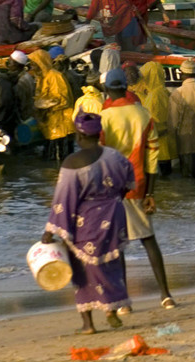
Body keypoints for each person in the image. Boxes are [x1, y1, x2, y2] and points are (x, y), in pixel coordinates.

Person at [41, 111, 135, 333]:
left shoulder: (72, 163)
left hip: (88, 222)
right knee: (109, 266)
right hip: (114, 218)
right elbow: (129, 182)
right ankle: (111, 309)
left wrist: (49, 232)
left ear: (79, 136)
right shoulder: (115, 156)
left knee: (81, 270)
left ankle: (88, 323)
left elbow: (63, 201)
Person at [97, 69, 175, 310]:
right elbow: (153, 154)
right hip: (139, 184)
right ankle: (166, 295)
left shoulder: (104, 117)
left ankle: (123, 302)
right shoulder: (143, 114)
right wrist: (151, 191)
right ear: (126, 88)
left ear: (108, 90)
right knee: (149, 240)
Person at [28, 49, 75, 160]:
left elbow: (63, 100)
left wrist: (46, 106)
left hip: (61, 124)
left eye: (33, 64)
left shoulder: (55, 76)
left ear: (41, 63)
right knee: (50, 156)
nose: (31, 67)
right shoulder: (41, 77)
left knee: (63, 157)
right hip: (49, 123)